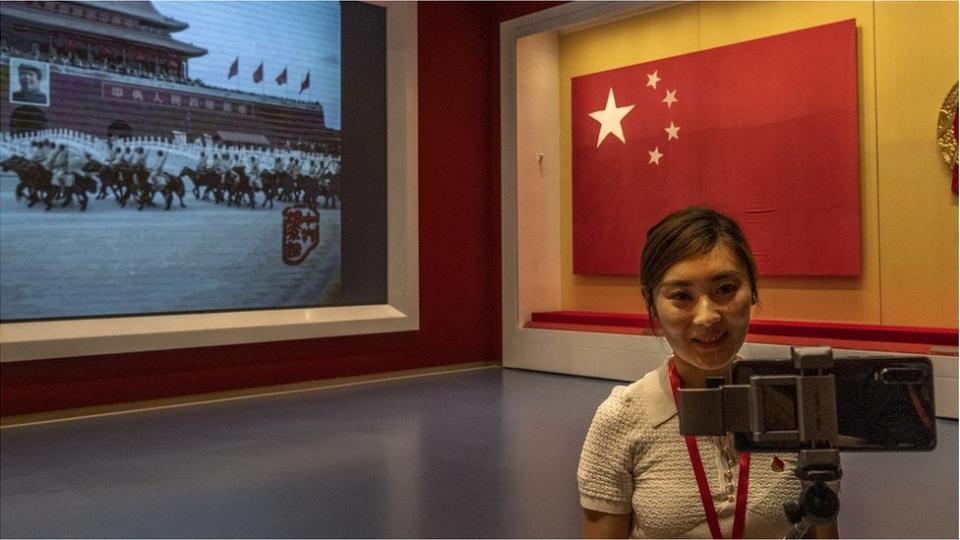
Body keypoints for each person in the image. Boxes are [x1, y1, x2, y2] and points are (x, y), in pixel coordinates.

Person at [577, 207, 838, 539]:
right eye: (681, 296)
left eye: (725, 289)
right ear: (651, 303)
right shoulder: (621, 421)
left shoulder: (799, 409)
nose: (706, 316)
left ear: (753, 289)